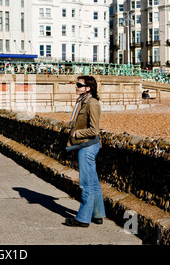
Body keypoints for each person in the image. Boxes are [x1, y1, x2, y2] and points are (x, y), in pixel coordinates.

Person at [64, 76, 106, 227]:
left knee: (86, 183)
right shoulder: (82, 102)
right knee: (93, 181)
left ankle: (82, 218)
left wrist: (77, 134)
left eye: (79, 84)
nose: (76, 86)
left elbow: (94, 130)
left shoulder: (92, 103)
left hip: (87, 146)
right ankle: (98, 214)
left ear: (88, 88)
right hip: (87, 145)